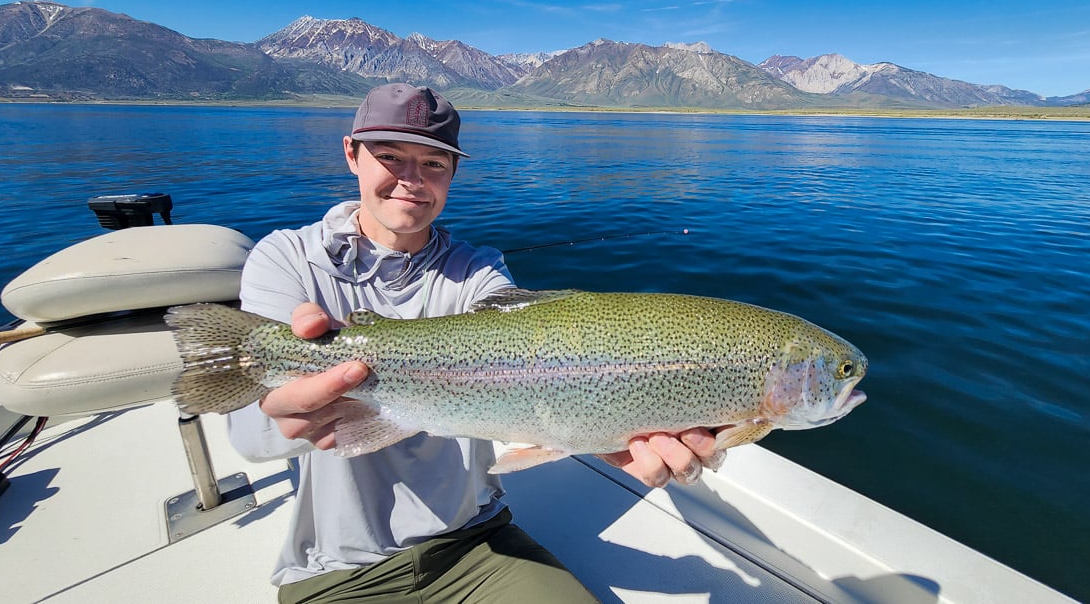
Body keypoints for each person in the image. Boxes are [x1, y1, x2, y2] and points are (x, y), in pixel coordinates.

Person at [228, 83, 723, 603]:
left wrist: (605, 424)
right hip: (336, 571)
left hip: (478, 544)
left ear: (453, 172)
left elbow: (533, 358)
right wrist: (290, 415)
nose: (411, 181)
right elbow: (251, 440)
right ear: (352, 154)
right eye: (391, 157)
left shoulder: (478, 272)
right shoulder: (285, 257)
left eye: (434, 163)